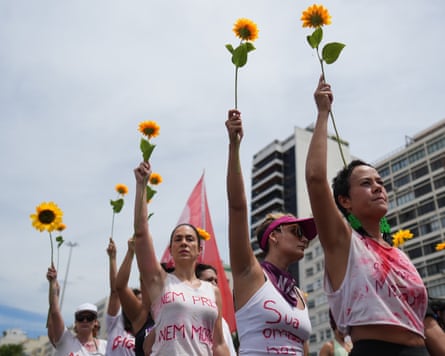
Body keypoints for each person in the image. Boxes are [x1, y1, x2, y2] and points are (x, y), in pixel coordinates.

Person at [305, 76, 428, 355]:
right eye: (366, 183)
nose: (378, 187)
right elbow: (315, 179)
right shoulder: (344, 244)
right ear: (345, 201)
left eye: (380, 182)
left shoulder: (396, 251)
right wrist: (323, 112)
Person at [225, 109, 315, 355]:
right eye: (297, 231)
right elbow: (237, 208)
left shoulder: (299, 294)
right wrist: (234, 147)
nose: (304, 238)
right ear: (274, 236)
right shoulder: (250, 274)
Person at [132, 161, 230, 355]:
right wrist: (141, 185)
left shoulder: (213, 291)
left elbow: (218, 343)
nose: (184, 242)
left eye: (189, 239)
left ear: (199, 249)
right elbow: (141, 234)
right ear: (171, 248)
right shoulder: (159, 281)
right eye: (178, 239)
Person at [106, 237, 154, 355]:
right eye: (135, 300)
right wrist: (115, 258)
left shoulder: (155, 322)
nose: (138, 304)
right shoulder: (116, 324)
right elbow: (116, 291)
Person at [46, 265, 107, 355]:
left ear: (95, 322)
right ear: (75, 322)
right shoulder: (65, 340)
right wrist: (54, 284)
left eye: (89, 317)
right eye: (80, 317)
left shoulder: (106, 346)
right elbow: (54, 312)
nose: (85, 320)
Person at [195, 263, 237, 356]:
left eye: (216, 281)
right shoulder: (187, 318)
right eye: (209, 280)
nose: (214, 284)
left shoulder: (222, 322)